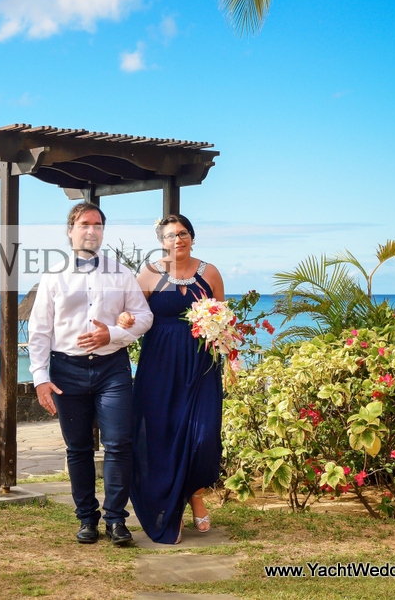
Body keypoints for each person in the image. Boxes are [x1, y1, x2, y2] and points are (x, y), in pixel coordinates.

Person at [29, 202, 153, 546]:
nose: (92, 230)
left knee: (119, 443)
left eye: (98, 225)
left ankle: (116, 520)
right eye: (85, 224)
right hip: (66, 370)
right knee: (78, 448)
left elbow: (144, 317)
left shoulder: (121, 274)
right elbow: (39, 330)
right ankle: (86, 518)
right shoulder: (53, 276)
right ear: (70, 231)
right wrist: (40, 377)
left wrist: (111, 333)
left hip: (112, 368)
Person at [119, 213, 225, 544]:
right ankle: (172, 510)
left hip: (201, 366)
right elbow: (134, 312)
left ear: (191, 236)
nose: (177, 239)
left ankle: (195, 494)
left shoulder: (210, 273)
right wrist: (124, 318)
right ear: (161, 241)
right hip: (159, 366)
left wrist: (228, 353)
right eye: (170, 235)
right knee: (161, 435)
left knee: (203, 436)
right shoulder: (150, 273)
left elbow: (223, 319)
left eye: (182, 233)